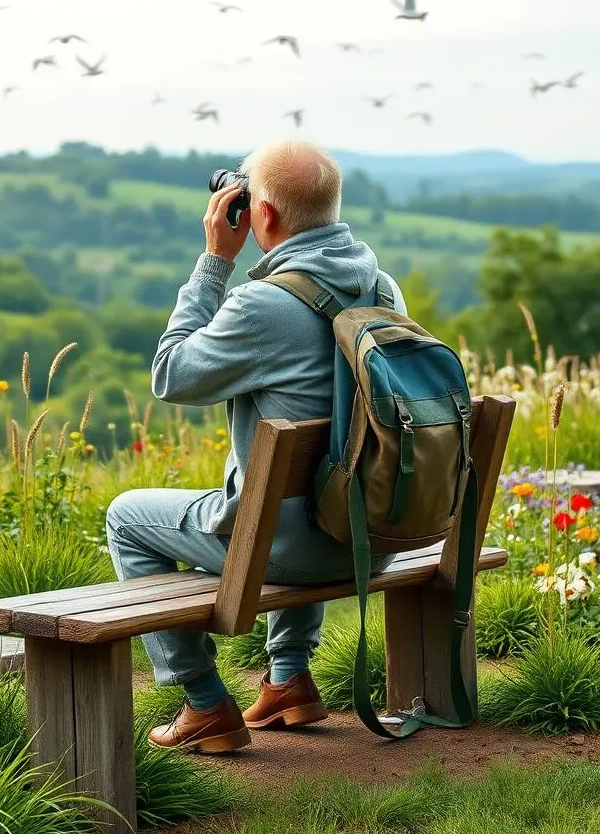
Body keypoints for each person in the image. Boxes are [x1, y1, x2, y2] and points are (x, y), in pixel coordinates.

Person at [106, 140, 406, 753]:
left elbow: (170, 375)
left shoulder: (265, 304)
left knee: (127, 517)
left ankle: (203, 702)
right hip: (370, 538)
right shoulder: (382, 287)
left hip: (289, 548)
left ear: (261, 216)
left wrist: (214, 262)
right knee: (305, 484)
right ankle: (287, 678)